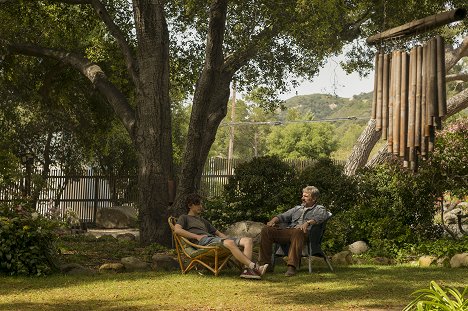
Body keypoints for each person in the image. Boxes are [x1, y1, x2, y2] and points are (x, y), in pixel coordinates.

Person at [174, 193, 268, 279]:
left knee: (247, 240)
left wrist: (228, 239)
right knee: (230, 243)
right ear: (190, 205)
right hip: (203, 242)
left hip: (214, 239)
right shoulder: (184, 218)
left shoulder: (203, 221)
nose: (200, 206)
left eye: (201, 204)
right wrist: (196, 237)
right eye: (197, 203)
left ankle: (246, 271)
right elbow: (177, 230)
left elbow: (219, 233)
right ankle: (254, 267)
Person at [258, 186, 330, 276]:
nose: (302, 198)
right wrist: (272, 221)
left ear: (314, 198)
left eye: (306, 196)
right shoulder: (297, 208)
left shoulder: (320, 209)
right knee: (266, 230)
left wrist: (307, 223)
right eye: (302, 196)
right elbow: (282, 216)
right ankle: (265, 266)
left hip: (307, 234)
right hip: (290, 231)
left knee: (298, 231)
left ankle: (291, 267)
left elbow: (322, 217)